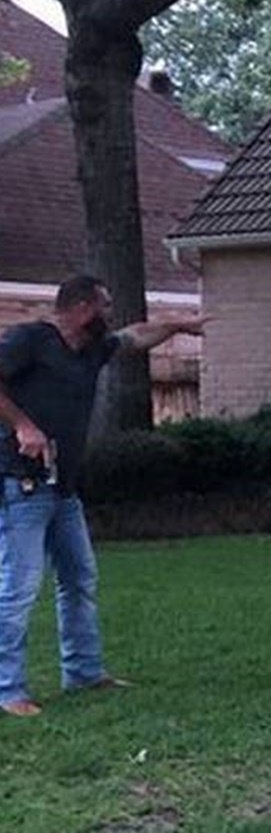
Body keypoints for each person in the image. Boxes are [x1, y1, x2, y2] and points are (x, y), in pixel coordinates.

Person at [0, 274, 205, 717]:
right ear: (79, 308)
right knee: (17, 590)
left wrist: (179, 326)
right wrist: (22, 424)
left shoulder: (91, 350)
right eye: (103, 307)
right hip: (22, 485)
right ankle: (8, 689)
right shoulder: (31, 341)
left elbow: (134, 337)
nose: (109, 315)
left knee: (79, 580)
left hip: (64, 491)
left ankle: (84, 674)